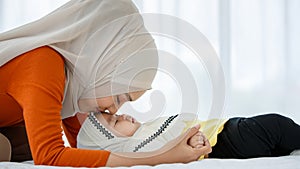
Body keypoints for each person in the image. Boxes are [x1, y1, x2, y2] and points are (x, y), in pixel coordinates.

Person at [0, 0, 211, 167]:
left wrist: (168, 143)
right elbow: (50, 156)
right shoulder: (44, 64)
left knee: (22, 144)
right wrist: (162, 157)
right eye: (118, 97)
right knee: (12, 147)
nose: (112, 110)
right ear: (102, 66)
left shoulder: (75, 84)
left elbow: (86, 149)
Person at [78, 112, 300, 159]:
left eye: (116, 115)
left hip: (226, 133)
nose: (124, 115)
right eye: (116, 121)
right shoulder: (136, 147)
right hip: (225, 140)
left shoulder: (143, 131)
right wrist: (189, 138)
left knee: (279, 139)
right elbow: (167, 148)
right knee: (275, 125)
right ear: (113, 142)